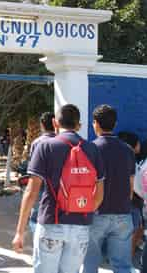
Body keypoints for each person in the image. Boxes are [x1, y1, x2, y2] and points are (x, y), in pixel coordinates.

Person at [12, 104, 104, 273]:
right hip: (80, 227)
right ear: (79, 125)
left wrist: (20, 231)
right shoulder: (92, 149)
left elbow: (32, 192)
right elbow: (99, 195)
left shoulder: (45, 146)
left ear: (55, 123)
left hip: (51, 223)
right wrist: (82, 210)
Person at [82, 105, 135, 273]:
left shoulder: (89, 149)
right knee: (122, 266)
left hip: (96, 213)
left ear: (95, 123)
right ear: (115, 123)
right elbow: (131, 187)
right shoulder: (128, 150)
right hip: (122, 214)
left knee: (90, 264)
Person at [118, 131, 144, 261]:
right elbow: (134, 184)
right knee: (135, 229)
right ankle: (127, 258)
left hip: (120, 202)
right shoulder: (132, 162)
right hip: (133, 201)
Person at [28, 111, 55, 233]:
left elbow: (33, 166)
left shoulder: (37, 143)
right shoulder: (62, 140)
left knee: (35, 217)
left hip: (39, 186)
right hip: (57, 186)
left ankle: (38, 239)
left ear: (42, 125)